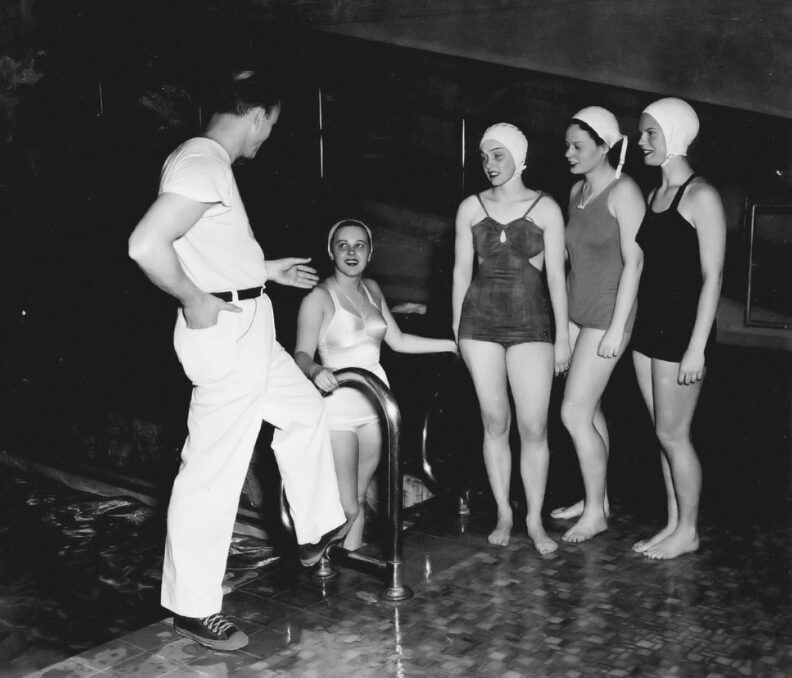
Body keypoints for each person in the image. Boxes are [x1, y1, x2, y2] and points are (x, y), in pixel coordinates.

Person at [127, 70, 346, 651]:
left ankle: (313, 530)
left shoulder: (203, 161)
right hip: (225, 335)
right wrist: (195, 298)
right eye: (269, 126)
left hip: (250, 326)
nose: (265, 138)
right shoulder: (202, 162)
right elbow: (146, 244)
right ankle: (192, 608)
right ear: (257, 115)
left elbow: (197, 244)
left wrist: (259, 271)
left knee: (305, 410)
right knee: (212, 475)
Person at [295, 219, 457, 551]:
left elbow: (397, 341)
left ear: (370, 253)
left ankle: (346, 572)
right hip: (338, 408)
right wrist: (314, 371)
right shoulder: (319, 298)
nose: (351, 252)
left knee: (358, 495)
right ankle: (314, 552)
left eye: (359, 245)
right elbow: (299, 355)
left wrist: (449, 344)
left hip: (375, 405)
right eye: (343, 245)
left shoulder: (373, 289)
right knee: (348, 503)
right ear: (331, 251)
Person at [452, 123, 570, 554]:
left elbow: (557, 277)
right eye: (484, 157)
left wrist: (562, 340)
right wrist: (456, 329)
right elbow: (461, 272)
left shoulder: (546, 207)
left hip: (531, 325)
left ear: (519, 157)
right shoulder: (470, 207)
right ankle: (504, 510)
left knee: (534, 425)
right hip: (479, 326)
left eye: (498, 155)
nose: (490, 165)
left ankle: (535, 519)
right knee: (494, 422)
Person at [631, 97, 725, 559]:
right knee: (661, 434)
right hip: (650, 330)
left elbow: (714, 277)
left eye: (651, 133)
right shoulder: (655, 194)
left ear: (675, 135)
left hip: (682, 333)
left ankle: (689, 530)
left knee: (674, 434)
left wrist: (697, 348)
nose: (641, 141)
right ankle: (673, 524)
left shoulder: (701, 195)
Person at [551, 107, 645, 543]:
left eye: (578, 146)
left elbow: (635, 262)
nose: (568, 153)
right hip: (576, 312)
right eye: (567, 144)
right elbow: (573, 260)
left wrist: (616, 328)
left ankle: (596, 515)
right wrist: (563, 325)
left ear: (605, 147)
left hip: (608, 316)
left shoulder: (624, 192)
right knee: (590, 409)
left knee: (573, 412)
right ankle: (597, 500)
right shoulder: (576, 191)